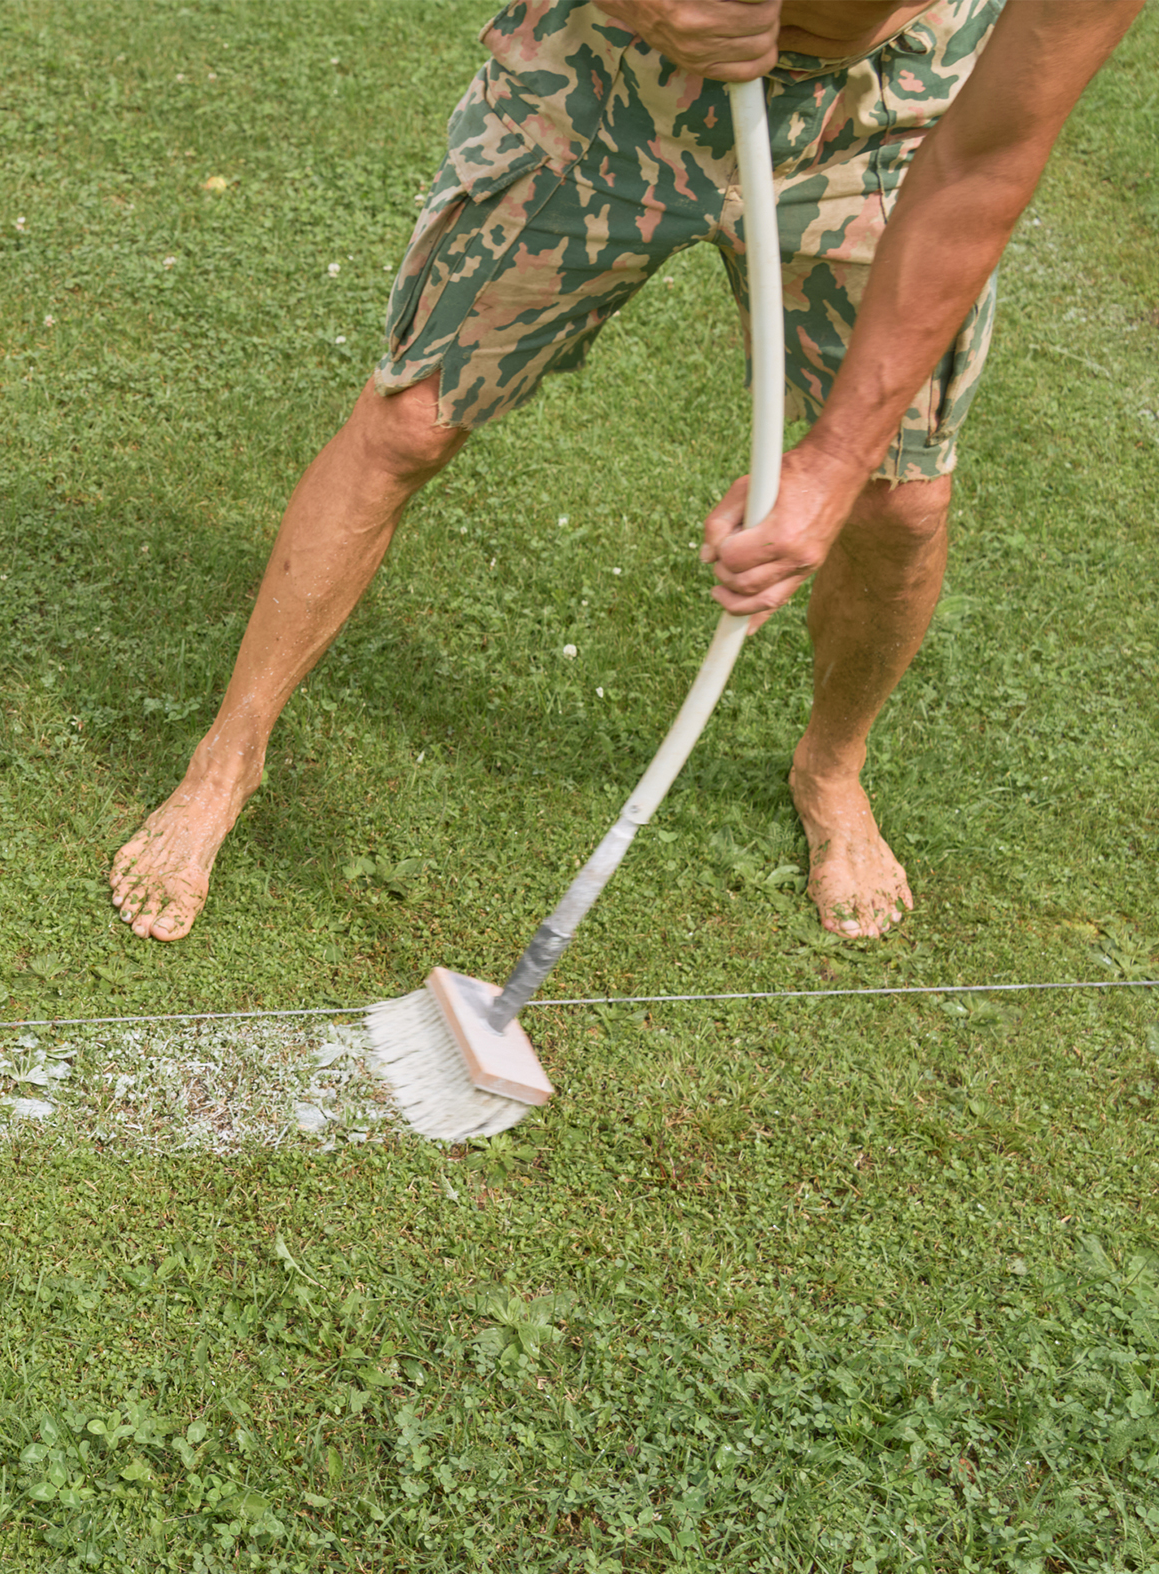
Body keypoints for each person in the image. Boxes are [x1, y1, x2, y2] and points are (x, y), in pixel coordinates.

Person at [108, 0, 1144, 943]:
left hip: (887, 112)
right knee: (408, 422)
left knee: (898, 500)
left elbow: (986, 160)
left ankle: (830, 768)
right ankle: (226, 760)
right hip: (611, 77)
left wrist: (831, 462)